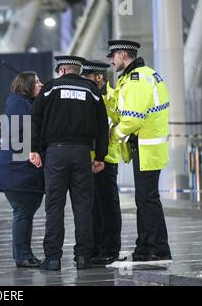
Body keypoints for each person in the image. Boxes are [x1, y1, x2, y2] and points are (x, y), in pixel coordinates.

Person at [30, 56, 109, 270]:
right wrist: (100, 156)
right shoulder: (92, 91)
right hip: (83, 153)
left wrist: (34, 149)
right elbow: (103, 126)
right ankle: (83, 257)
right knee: (83, 206)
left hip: (56, 153)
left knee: (54, 207)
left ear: (62, 70)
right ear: (77, 70)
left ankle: (53, 258)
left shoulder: (49, 89)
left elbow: (35, 120)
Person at [107, 40, 172, 261]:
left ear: (124, 54)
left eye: (113, 55)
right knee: (145, 198)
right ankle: (145, 246)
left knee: (147, 199)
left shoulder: (137, 79)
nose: (111, 59)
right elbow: (122, 111)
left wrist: (112, 136)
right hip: (146, 147)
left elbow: (132, 119)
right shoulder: (138, 76)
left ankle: (157, 248)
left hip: (147, 147)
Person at [0, 71, 45, 268]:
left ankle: (23, 255)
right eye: (36, 82)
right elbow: (19, 136)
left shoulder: (24, 103)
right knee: (23, 212)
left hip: (20, 172)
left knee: (24, 212)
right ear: (26, 85)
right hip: (17, 172)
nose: (40, 85)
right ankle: (23, 256)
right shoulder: (18, 104)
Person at [81, 60, 123, 265]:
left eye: (87, 77)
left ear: (98, 77)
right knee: (93, 207)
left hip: (106, 159)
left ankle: (110, 249)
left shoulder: (112, 97)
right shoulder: (89, 96)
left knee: (108, 207)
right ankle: (96, 248)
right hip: (88, 160)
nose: (84, 82)